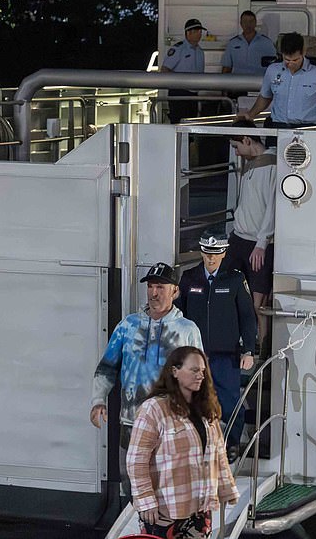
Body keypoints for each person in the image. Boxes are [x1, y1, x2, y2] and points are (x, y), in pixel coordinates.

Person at [90, 262, 203, 500]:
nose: (154, 292)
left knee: (168, 487)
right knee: (131, 483)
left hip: (171, 423)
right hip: (130, 422)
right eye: (151, 286)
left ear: (175, 291)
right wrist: (98, 399)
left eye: (161, 287)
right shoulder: (127, 326)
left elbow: (199, 377)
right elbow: (107, 367)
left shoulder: (187, 330)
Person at [127, 346, 239, 539]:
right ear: (175, 371)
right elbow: (136, 460)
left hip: (200, 509)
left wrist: (227, 490)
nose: (200, 376)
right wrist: (145, 500)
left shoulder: (206, 410)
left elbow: (218, 453)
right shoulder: (154, 409)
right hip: (164, 512)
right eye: (194, 370)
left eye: (203, 371)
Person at [176, 230, 257, 461]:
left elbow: (247, 316)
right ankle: (196, 442)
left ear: (223, 253)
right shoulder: (189, 278)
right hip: (195, 354)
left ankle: (232, 443)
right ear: (201, 252)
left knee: (230, 401)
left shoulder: (234, 279)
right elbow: (179, 314)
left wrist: (249, 349)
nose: (211, 258)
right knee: (191, 400)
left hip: (225, 354)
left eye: (216, 253)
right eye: (207, 253)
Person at [225, 120, 275, 358]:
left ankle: (263, 351)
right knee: (229, 291)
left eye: (236, 146)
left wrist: (262, 243)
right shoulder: (250, 166)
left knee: (259, 303)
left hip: (256, 243)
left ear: (247, 140)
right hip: (239, 239)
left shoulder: (271, 166)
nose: (235, 152)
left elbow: (272, 209)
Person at [243, 31, 316, 127]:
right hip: (278, 125)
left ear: (303, 53)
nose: (290, 64)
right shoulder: (273, 70)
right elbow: (265, 97)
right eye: (287, 60)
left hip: (305, 128)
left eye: (295, 60)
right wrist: (250, 114)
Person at [161, 18, 206, 124]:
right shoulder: (178, 49)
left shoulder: (200, 51)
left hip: (194, 94)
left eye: (200, 31)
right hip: (179, 93)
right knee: (178, 125)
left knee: (191, 125)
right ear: (188, 33)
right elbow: (165, 70)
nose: (200, 34)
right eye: (197, 31)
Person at [221, 11, 277, 76]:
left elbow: (275, 67)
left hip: (260, 82)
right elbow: (226, 67)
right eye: (245, 21)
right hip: (237, 83)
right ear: (241, 23)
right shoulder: (232, 43)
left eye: (251, 21)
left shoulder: (267, 43)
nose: (248, 24)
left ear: (255, 23)